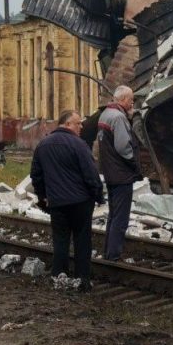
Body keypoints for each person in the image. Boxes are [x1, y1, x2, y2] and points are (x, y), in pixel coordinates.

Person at [31, 109, 104, 290]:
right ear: (68, 124)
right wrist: (97, 195)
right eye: (78, 123)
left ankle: (59, 276)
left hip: (57, 202)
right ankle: (82, 279)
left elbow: (36, 176)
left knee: (60, 239)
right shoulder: (79, 145)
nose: (81, 126)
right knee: (82, 240)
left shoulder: (43, 145)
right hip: (81, 202)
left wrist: (43, 197)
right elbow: (91, 174)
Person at [97, 85, 140, 261]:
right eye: (131, 100)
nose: (132, 103)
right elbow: (123, 146)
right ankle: (114, 255)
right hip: (121, 174)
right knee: (121, 217)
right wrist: (133, 161)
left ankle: (108, 251)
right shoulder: (118, 117)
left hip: (110, 172)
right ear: (123, 100)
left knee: (113, 215)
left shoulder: (106, 114)